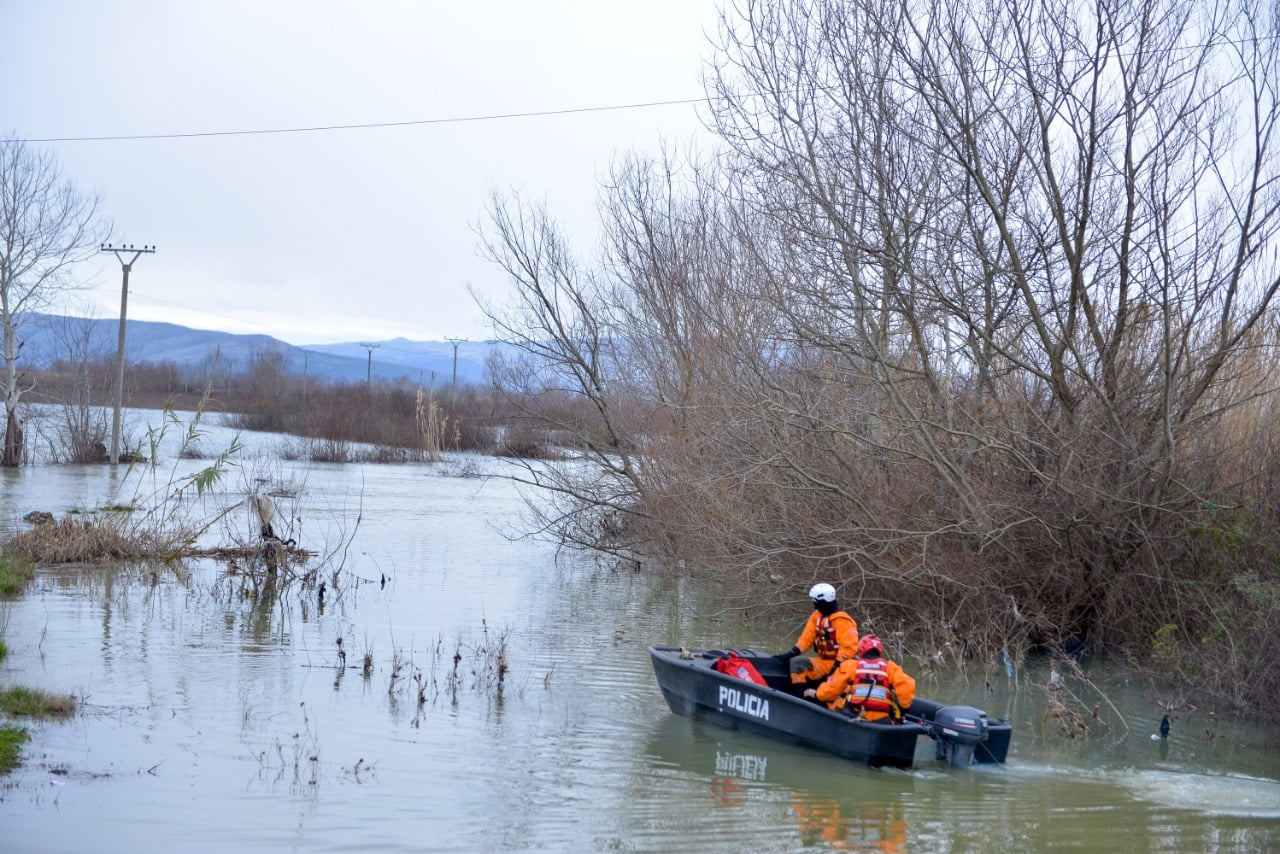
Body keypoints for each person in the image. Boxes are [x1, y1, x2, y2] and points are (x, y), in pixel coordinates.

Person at [805, 634, 915, 722]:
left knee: (832, 701)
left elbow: (830, 690)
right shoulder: (891, 667)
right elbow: (908, 686)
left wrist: (816, 694)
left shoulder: (851, 665)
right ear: (879, 650)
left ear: (861, 649)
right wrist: (902, 711)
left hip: (854, 714)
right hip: (881, 719)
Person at [773, 583, 859, 686]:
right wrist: (790, 654)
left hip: (842, 665)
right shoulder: (817, 616)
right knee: (793, 663)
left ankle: (806, 698)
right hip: (824, 662)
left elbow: (848, 648)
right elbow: (806, 639)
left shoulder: (842, 620)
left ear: (825, 601)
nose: (814, 604)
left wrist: (835, 669)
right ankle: (800, 695)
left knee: (798, 664)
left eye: (815, 601)